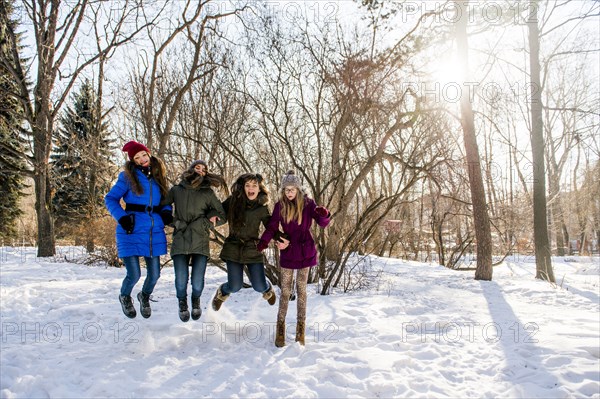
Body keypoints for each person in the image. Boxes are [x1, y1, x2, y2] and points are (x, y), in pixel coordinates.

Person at [257, 170, 331, 347]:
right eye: (286, 189)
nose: (289, 192)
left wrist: (323, 213)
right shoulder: (280, 206)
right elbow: (272, 227)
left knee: (302, 290)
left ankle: (300, 330)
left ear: (298, 189)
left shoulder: (308, 203)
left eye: (292, 189)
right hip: (289, 250)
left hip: (306, 250)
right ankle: (280, 329)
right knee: (286, 291)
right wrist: (263, 243)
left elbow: (322, 223)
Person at [105, 141, 172, 319]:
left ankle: (144, 295)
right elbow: (110, 199)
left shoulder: (159, 176)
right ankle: (125, 296)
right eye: (137, 157)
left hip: (153, 230)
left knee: (155, 274)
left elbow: (165, 201)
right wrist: (122, 217)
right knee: (134, 274)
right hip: (131, 228)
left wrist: (166, 213)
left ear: (148, 153)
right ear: (133, 161)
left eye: (143, 155)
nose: (142, 159)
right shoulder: (127, 177)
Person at [162, 160, 227, 322]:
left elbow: (222, 215)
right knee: (181, 279)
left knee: (197, 282)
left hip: (200, 239)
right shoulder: (176, 190)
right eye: (197, 168)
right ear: (191, 170)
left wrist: (206, 223)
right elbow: (162, 208)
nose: (200, 171)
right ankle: (182, 302)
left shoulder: (208, 193)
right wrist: (175, 222)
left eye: (204, 170)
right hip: (181, 238)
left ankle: (196, 301)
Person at [211, 173, 277, 312]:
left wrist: (282, 238)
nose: (251, 188)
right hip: (233, 247)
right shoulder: (232, 202)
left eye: (254, 185)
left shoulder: (262, 207)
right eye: (248, 185)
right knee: (235, 286)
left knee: (259, 286)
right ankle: (222, 293)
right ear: (243, 187)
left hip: (253, 248)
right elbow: (219, 213)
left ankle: (268, 290)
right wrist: (212, 216)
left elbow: (270, 227)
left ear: (259, 188)